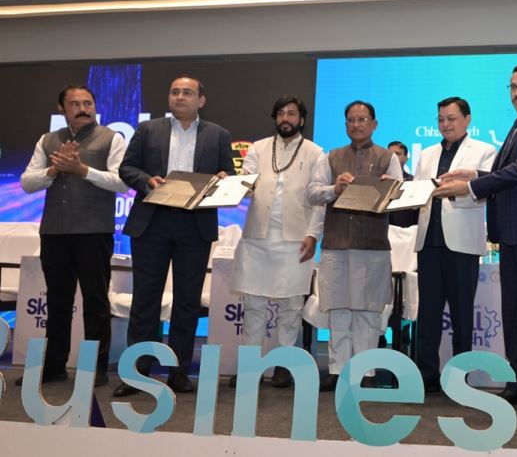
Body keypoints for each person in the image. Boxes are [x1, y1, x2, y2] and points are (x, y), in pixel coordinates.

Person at [434, 62, 517, 416]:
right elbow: (508, 171)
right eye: (513, 86)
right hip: (511, 231)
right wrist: (474, 173)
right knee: (515, 311)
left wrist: (472, 185)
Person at [114, 75, 235, 397]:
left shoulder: (218, 135)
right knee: (145, 300)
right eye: (175, 92)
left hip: (194, 226)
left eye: (187, 92)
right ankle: (136, 372)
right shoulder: (147, 130)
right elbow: (127, 168)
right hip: (152, 222)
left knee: (187, 301)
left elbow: (229, 174)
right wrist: (147, 181)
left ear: (201, 100)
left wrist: (223, 178)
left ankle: (178, 372)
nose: (180, 96)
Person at [18, 84, 128, 388]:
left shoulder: (112, 138)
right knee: (57, 301)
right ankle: (54, 366)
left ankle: (95, 368)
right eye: (75, 104)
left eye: (88, 103)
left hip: (94, 232)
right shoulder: (47, 140)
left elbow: (121, 183)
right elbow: (27, 183)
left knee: (95, 301)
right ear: (62, 109)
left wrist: (82, 170)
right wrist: (53, 171)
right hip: (55, 231)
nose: (83, 109)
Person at [228, 96, 325, 388]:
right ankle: (250, 367)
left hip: (296, 240)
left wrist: (313, 235)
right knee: (254, 308)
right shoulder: (257, 148)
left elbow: (320, 200)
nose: (286, 118)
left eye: (292, 113)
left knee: (291, 309)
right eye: (281, 113)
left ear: (301, 120)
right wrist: (232, 185)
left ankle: (284, 365)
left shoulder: (316, 152)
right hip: (257, 239)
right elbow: (246, 184)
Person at [308, 100, 402, 391]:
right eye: (351, 120)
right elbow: (313, 193)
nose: (357, 124)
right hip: (336, 244)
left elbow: (400, 195)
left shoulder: (388, 157)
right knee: (338, 309)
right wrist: (334, 189)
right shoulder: (331, 156)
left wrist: (387, 188)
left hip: (372, 245)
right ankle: (338, 370)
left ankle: (367, 371)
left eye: (362, 119)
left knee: (368, 311)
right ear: (345, 124)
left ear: (374, 124)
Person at [413, 97, 496, 392]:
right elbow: (419, 193)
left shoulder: (485, 151)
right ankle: (426, 375)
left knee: (462, 313)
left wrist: (453, 191)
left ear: (467, 119)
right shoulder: (426, 154)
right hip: (429, 241)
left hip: (461, 244)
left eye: (451, 118)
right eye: (441, 119)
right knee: (428, 312)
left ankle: (460, 377)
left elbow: (486, 192)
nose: (445, 124)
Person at [387, 140, 419, 228]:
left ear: (406, 158)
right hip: (381, 229)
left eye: (397, 154)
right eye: (390, 154)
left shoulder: (414, 181)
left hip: (406, 230)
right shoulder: (379, 180)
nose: (393, 157)